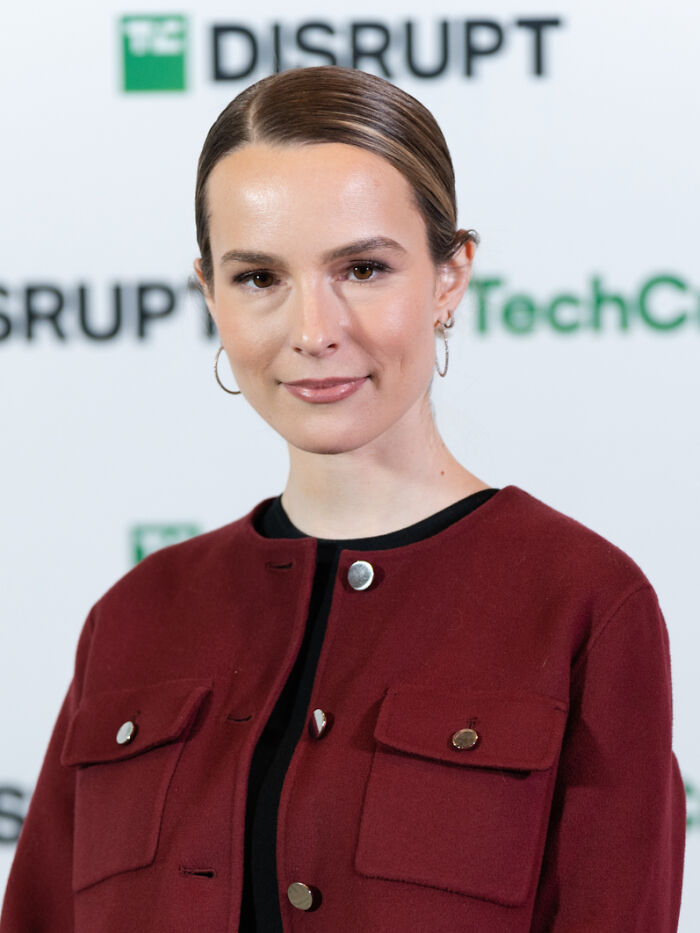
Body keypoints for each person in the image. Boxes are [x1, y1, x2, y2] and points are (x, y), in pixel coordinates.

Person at [0, 66, 685, 932]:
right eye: (259, 278)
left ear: (449, 276)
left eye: (362, 267)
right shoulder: (134, 617)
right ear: (209, 292)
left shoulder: (583, 601)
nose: (314, 329)